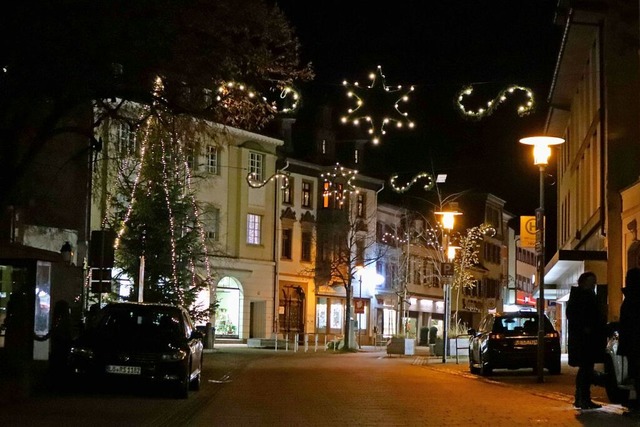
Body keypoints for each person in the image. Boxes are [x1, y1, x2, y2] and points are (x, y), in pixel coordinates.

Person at [566, 271, 607, 410]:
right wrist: (586, 328)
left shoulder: (583, 296)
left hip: (587, 340)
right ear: (583, 282)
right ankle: (583, 398)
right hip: (585, 341)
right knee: (586, 369)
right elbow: (579, 317)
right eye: (592, 280)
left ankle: (582, 398)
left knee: (586, 369)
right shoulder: (582, 297)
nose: (594, 283)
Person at [617, 267, 640, 414]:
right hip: (633, 341)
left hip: (633, 342)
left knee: (636, 373)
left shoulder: (632, 298)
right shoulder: (632, 297)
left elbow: (628, 322)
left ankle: (636, 404)